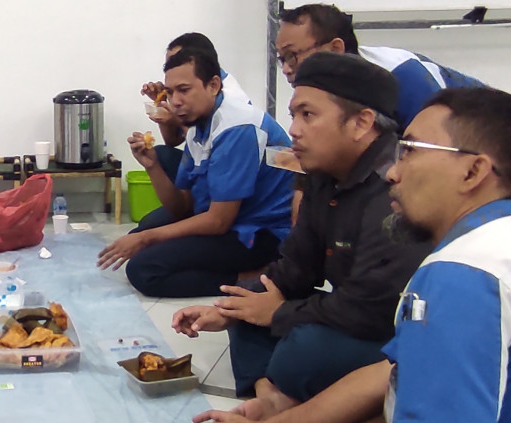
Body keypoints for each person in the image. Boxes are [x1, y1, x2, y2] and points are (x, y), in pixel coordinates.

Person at [193, 87, 511, 423]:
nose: (393, 172)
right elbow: (391, 371)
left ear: (473, 171)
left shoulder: (462, 275)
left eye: (410, 151)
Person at [171, 53, 430, 414]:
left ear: (361, 123)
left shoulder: (393, 188)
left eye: (308, 115)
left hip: (391, 328)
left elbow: (371, 309)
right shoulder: (324, 173)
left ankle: (280, 394)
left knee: (303, 347)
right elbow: (296, 266)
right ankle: (271, 396)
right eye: (294, 115)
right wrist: (230, 311)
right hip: (352, 309)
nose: (293, 129)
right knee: (246, 302)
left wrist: (280, 313)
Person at [99, 48, 294, 298]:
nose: (175, 101)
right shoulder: (197, 125)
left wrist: (148, 238)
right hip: (232, 221)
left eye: (184, 90)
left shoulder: (237, 128)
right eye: (170, 92)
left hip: (260, 234)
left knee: (144, 269)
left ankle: (251, 277)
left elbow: (218, 221)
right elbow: (182, 208)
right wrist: (152, 166)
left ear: (213, 85)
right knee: (138, 240)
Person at [276, 3, 485, 129]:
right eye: (281, 59)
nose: (285, 69)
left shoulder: (404, 77)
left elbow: (437, 153)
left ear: (335, 48)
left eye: (292, 56)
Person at [141, 32, 252, 150]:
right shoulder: (193, 87)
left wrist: (178, 121)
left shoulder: (230, 104)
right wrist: (162, 102)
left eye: (177, 61)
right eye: (168, 64)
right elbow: (173, 140)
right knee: (160, 153)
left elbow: (206, 151)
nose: (171, 69)